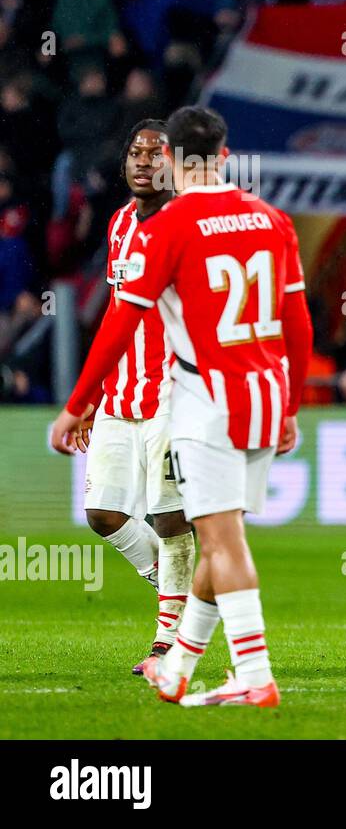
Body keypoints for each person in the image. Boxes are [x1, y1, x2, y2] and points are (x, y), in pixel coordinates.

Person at [51, 106, 313, 708]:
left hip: (201, 397)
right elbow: (297, 322)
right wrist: (293, 402)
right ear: (225, 158)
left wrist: (74, 402)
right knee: (218, 534)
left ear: (170, 159)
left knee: (217, 539)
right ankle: (178, 666)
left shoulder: (171, 225)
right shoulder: (270, 218)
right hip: (265, 391)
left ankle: (252, 672)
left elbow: (122, 320)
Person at [79, 119, 195, 675]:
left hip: (172, 394)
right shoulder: (121, 223)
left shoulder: (189, 223)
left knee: (170, 519)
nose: (143, 161)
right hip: (120, 395)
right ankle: (180, 587)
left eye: (156, 152)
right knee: (102, 512)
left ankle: (168, 641)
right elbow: (117, 313)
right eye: (135, 152)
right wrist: (90, 394)